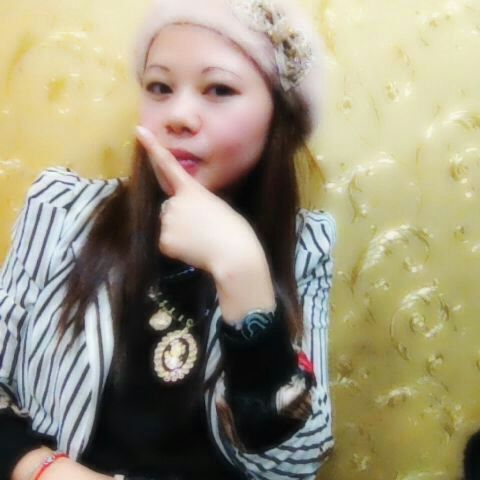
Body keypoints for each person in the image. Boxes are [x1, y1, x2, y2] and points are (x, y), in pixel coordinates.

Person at [0, 0, 336, 478]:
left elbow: (293, 465)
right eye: (160, 87)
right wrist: (46, 470)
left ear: (277, 116)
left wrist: (242, 272)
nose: (178, 115)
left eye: (219, 89)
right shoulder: (61, 210)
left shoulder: (304, 246)